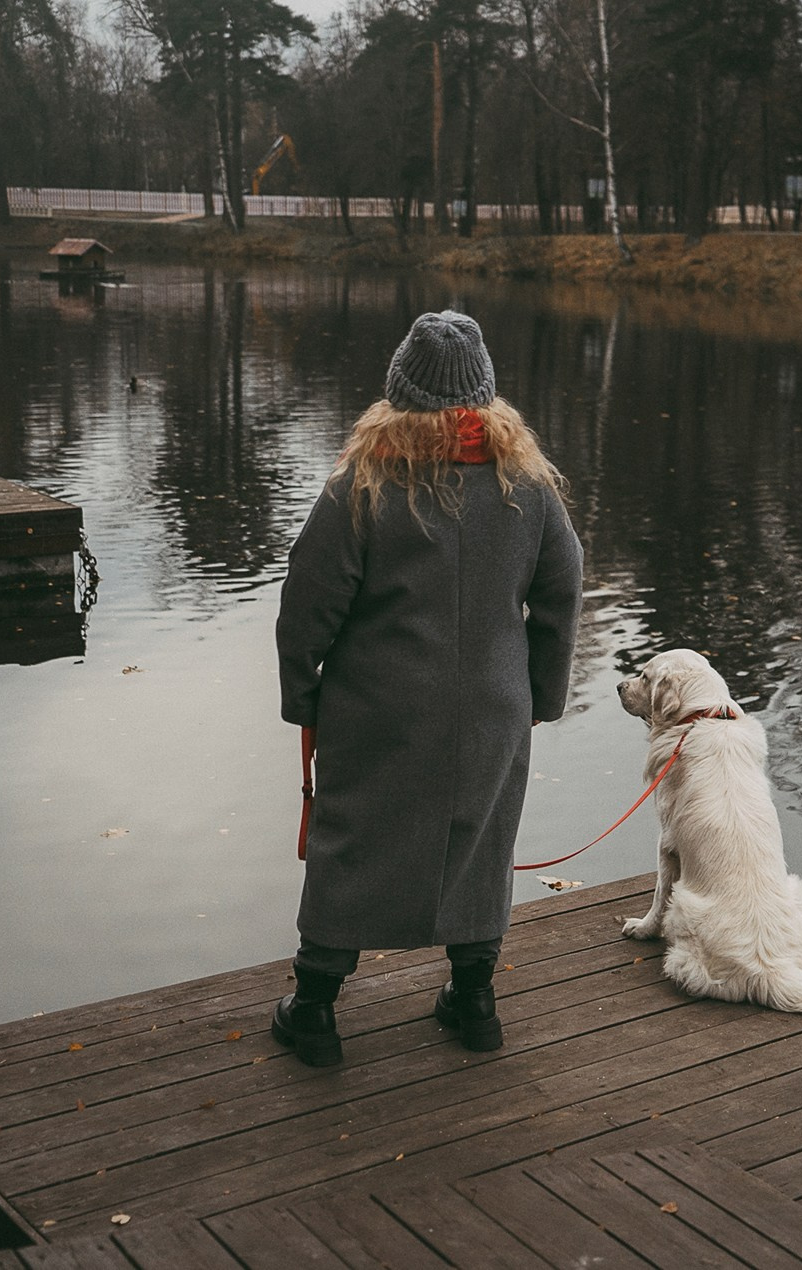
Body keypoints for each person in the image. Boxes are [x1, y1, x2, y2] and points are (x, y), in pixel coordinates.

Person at [272, 309, 584, 1067]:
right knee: (481, 840)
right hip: (493, 704)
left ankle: (314, 1009)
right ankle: (474, 1004)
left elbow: (307, 603)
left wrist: (301, 695)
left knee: (352, 840)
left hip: (380, 704)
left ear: (399, 393)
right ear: (485, 395)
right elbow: (563, 590)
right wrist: (540, 694)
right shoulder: (530, 487)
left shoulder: (364, 483)